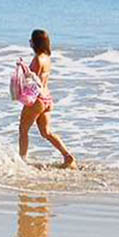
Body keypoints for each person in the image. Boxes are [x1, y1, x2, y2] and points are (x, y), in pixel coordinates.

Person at [18, 29, 76, 168]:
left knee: (23, 129)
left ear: (35, 42)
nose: (29, 42)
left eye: (31, 40)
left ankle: (22, 161)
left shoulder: (37, 59)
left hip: (37, 99)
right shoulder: (47, 58)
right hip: (47, 99)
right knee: (46, 132)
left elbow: (33, 82)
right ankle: (68, 156)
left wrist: (22, 72)